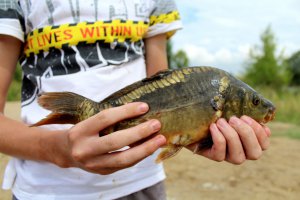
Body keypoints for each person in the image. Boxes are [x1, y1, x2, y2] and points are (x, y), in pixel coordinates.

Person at [0, 0, 271, 200]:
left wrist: (197, 136)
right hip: (45, 189)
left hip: (140, 184)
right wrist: (58, 149)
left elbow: (163, 86)